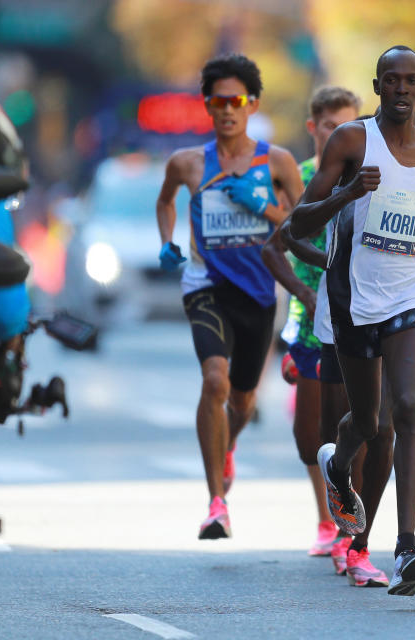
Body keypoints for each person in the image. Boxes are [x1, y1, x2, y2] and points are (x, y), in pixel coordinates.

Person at [288, 45, 415, 596]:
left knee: (405, 412)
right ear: (379, 86)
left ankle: (407, 547)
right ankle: (338, 468)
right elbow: (297, 225)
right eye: (393, 80)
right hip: (353, 299)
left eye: (412, 80)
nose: (403, 89)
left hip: (410, 295)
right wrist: (344, 194)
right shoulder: (351, 142)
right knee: (366, 422)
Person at [156, 53, 304, 539]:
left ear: (252, 104)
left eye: (236, 100)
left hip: (259, 291)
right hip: (206, 287)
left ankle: (228, 445)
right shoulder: (188, 163)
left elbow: (304, 222)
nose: (226, 110)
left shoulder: (276, 161)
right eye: (218, 101)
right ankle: (216, 502)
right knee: (214, 381)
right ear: (207, 106)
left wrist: (260, 204)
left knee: (241, 402)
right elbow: (165, 200)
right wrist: (167, 240)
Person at [263, 86, 361, 558]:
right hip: (308, 321)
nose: (339, 133)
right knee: (309, 442)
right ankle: (328, 517)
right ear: (313, 128)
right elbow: (276, 245)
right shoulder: (300, 178)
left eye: (348, 124)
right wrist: (304, 292)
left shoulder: (370, 176)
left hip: (359, 318)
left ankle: (348, 528)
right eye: (329, 125)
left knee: (355, 426)